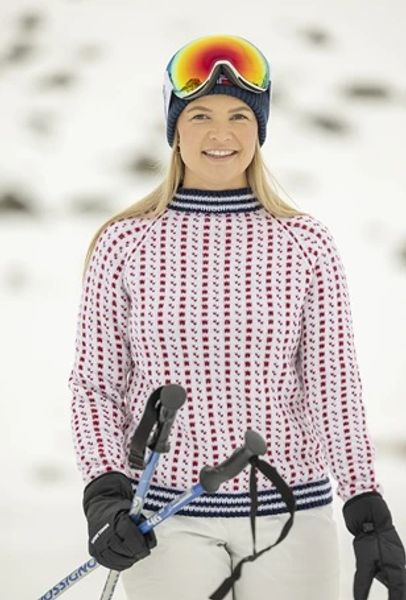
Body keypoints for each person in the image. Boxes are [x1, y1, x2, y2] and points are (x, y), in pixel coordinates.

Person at [68, 34, 406, 600]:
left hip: (291, 515)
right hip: (164, 521)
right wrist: (105, 495)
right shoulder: (124, 243)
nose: (220, 134)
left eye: (239, 116)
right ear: (175, 130)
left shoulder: (305, 243)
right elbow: (96, 385)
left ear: (259, 130)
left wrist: (367, 511)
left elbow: (333, 386)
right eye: (199, 115)